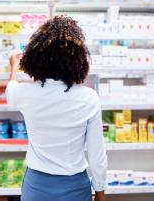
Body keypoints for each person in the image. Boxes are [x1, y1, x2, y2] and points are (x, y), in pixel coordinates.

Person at [6, 16, 107, 201]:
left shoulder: (25, 94)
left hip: (36, 186)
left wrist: (13, 67)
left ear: (36, 57)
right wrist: (100, 192)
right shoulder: (88, 98)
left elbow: (10, 90)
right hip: (75, 187)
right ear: (78, 60)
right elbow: (96, 153)